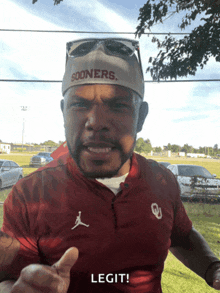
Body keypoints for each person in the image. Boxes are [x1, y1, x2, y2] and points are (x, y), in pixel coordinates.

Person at [0, 37, 220, 293]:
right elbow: (7, 277)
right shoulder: (29, 195)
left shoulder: (162, 181)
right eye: (80, 104)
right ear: (63, 113)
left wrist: (213, 268)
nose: (96, 121)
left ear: (141, 117)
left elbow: (182, 236)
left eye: (118, 105)